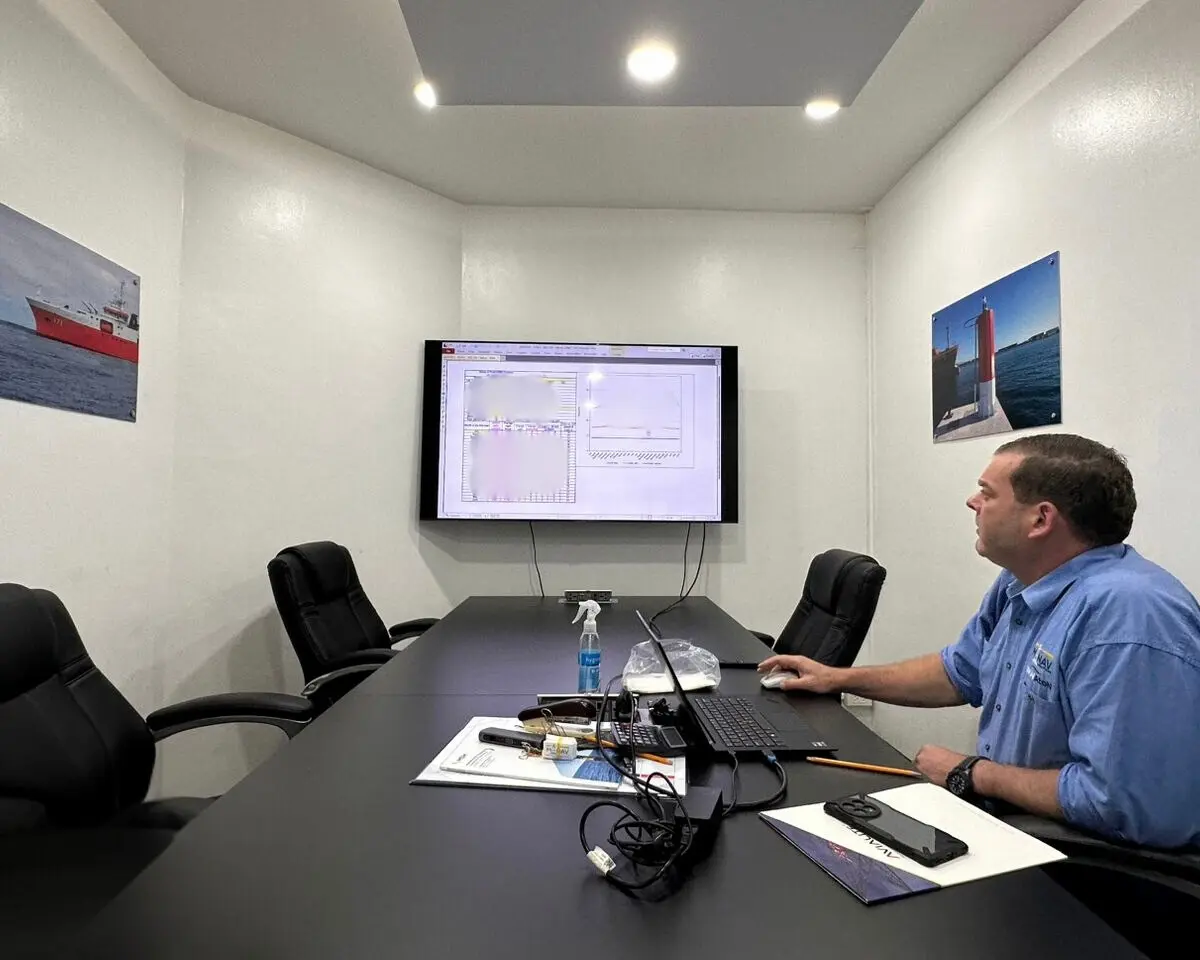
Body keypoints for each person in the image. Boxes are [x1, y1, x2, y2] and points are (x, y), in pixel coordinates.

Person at [760, 434, 1200, 849]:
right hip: (1012, 820)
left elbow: (1121, 802)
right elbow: (960, 672)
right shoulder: (1020, 581)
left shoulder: (1128, 617)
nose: (972, 502)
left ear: (1041, 519)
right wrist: (835, 678)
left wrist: (973, 773)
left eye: (987, 493)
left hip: (1082, 864)